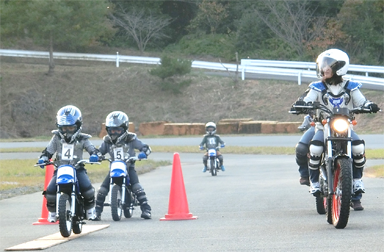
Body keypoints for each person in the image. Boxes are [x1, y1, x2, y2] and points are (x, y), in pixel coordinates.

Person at [292, 48, 380, 211]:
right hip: (323, 126)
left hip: (344, 126)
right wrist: (303, 104)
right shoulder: (317, 86)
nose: (324, 69)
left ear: (339, 68)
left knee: (358, 147)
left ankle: (357, 181)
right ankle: (315, 183)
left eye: (328, 65)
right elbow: (309, 99)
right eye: (323, 65)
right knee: (315, 148)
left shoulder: (351, 86)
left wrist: (369, 106)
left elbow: (361, 101)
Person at [37, 105, 100, 222]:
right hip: (60, 169)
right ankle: (52, 211)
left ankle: (90, 209)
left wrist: (95, 155)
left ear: (78, 126)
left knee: (87, 188)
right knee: (50, 191)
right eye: (64, 128)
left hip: (77, 168)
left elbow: (92, 149)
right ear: (59, 127)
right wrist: (44, 158)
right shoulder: (56, 138)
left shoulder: (83, 138)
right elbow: (48, 150)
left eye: (70, 128)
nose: (67, 132)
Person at [94, 111, 152, 220]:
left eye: (118, 130)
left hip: (128, 167)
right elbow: (99, 151)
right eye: (112, 130)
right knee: (102, 190)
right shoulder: (107, 141)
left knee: (136, 187)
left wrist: (143, 152)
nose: (114, 133)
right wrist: (96, 156)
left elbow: (145, 147)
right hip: (114, 169)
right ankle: (97, 212)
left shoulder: (131, 139)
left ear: (124, 129)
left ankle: (146, 209)